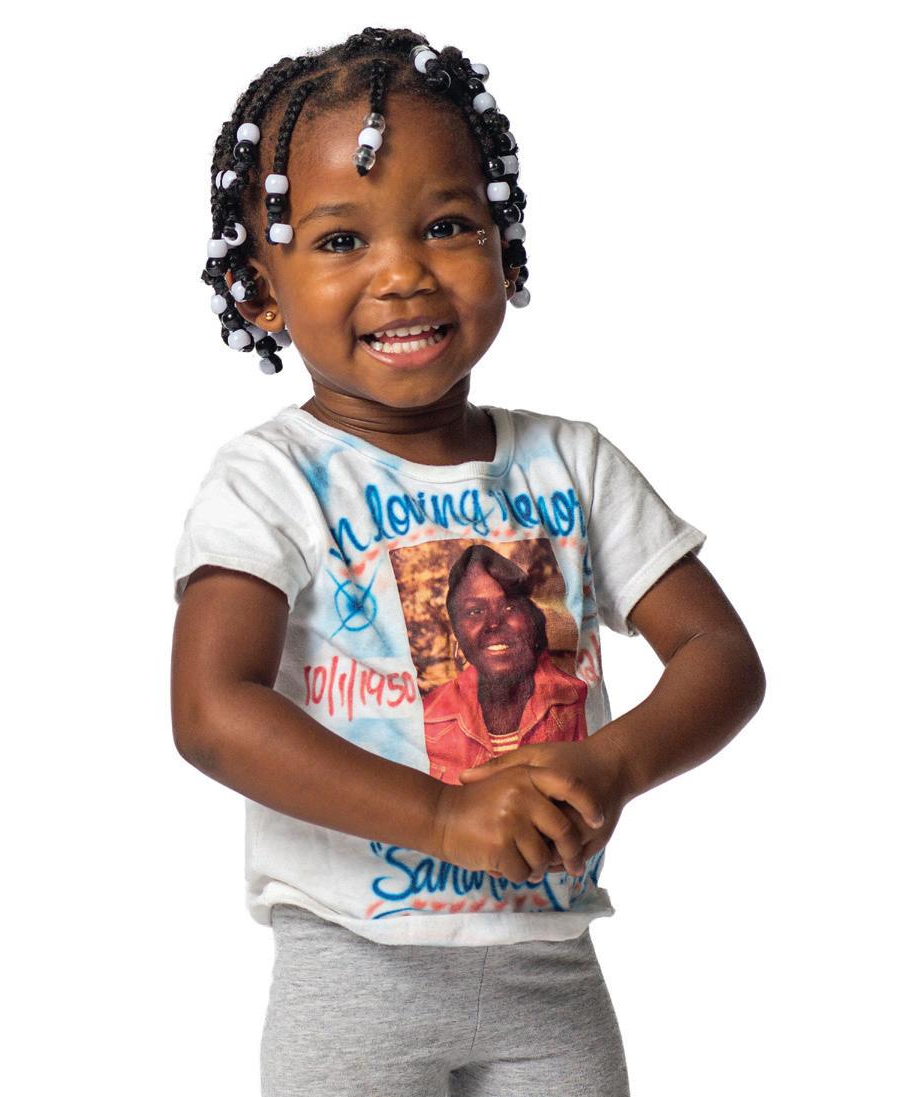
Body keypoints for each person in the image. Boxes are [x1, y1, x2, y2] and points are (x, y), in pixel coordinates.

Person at [170, 26, 765, 1097]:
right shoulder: (270, 479)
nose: (403, 272)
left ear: (507, 249)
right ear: (260, 290)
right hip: (352, 970)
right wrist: (442, 818)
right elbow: (213, 710)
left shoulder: (572, 462)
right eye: (340, 239)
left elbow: (720, 653)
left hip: (550, 974)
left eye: (447, 225)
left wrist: (616, 763)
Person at [423, 544, 590, 785]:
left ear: (532, 621)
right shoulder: (431, 717)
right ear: (456, 631)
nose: (494, 623)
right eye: (475, 611)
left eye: (509, 607)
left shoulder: (572, 699)